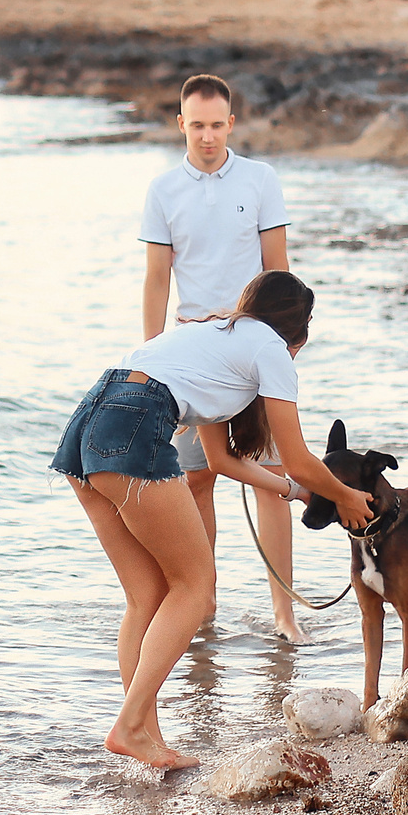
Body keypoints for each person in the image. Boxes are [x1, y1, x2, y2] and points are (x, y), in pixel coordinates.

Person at [51, 271, 373, 770]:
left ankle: (145, 738)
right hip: (135, 423)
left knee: (147, 595)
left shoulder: (216, 335)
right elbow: (298, 458)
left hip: (88, 422)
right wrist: (347, 496)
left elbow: (221, 461)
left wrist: (297, 492)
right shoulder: (271, 349)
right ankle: (130, 726)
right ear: (300, 333)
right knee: (194, 586)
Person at [138, 73, 306, 640]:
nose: (207, 136)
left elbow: (277, 270)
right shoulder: (163, 190)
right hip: (191, 357)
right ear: (180, 125)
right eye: (197, 126)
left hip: (254, 345)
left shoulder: (260, 179)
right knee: (197, 482)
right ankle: (203, 602)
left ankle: (284, 613)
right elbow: (156, 279)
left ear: (231, 124)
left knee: (272, 479)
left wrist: (283, 348)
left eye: (216, 125)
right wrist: (152, 358)